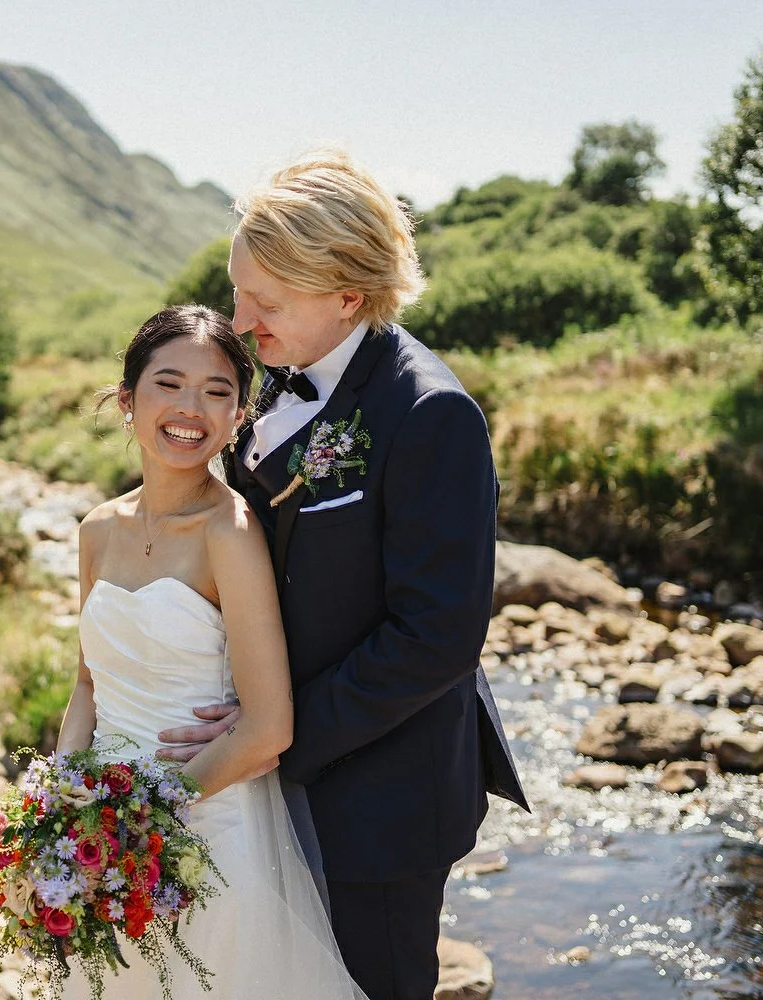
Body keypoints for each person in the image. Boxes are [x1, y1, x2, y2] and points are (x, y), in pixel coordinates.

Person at [156, 150, 529, 1000]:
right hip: (259, 784)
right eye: (238, 288)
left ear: (348, 295)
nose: (240, 320)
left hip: (377, 805)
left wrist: (273, 738)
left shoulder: (431, 417)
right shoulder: (274, 372)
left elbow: (435, 637)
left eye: (265, 301)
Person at [57, 304, 368, 999]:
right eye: (168, 383)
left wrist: (148, 817)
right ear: (127, 398)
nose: (189, 408)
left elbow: (267, 729)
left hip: (206, 827)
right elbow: (87, 682)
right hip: (102, 834)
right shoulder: (96, 530)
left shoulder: (229, 532)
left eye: (218, 391)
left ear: (238, 414)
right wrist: (62, 796)